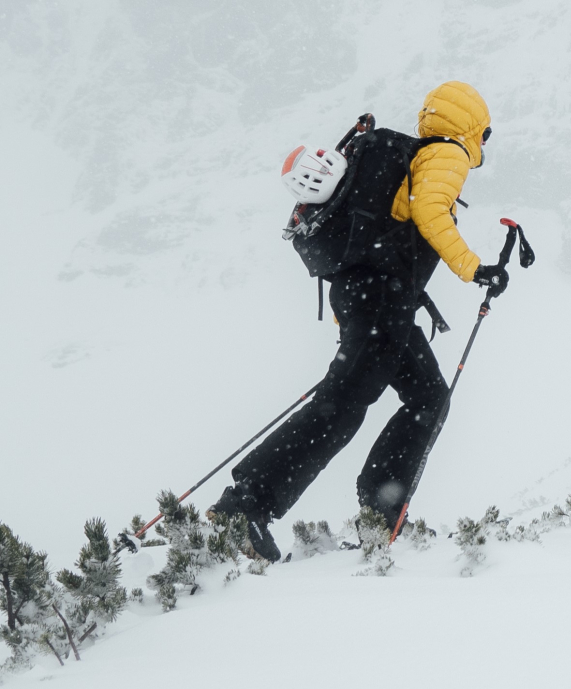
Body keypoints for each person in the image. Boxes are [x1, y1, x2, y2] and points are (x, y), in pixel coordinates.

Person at [210, 81, 506, 560]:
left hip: (373, 298)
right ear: (473, 127)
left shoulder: (410, 156)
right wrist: (476, 268)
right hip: (380, 301)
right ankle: (244, 506)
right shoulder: (446, 153)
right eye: (485, 134)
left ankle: (379, 512)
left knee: (427, 396)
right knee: (341, 405)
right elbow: (431, 212)